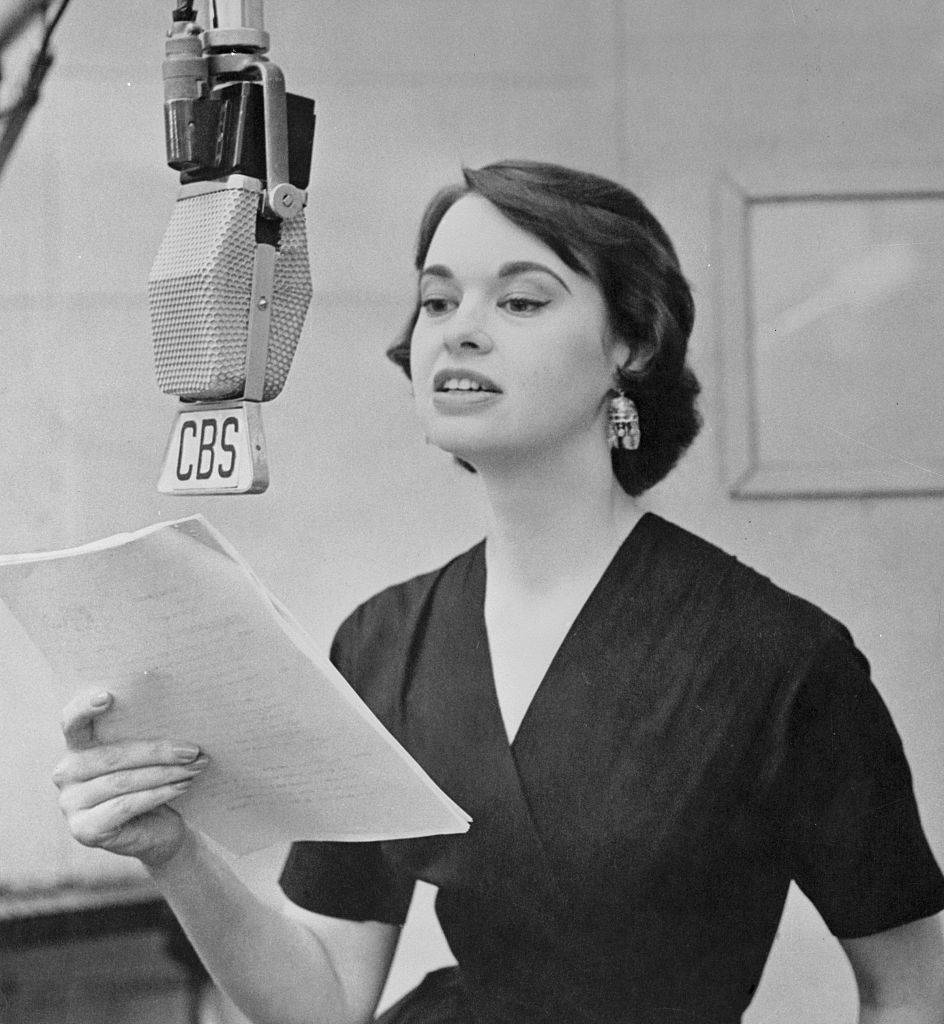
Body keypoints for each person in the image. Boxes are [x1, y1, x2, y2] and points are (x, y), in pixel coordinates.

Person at [54, 160, 944, 1024]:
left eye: (520, 300)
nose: (459, 330)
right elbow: (322, 998)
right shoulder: (385, 642)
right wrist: (175, 854)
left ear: (630, 344)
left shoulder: (782, 660)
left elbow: (913, 991)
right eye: (439, 301)